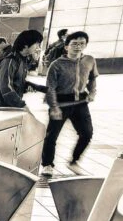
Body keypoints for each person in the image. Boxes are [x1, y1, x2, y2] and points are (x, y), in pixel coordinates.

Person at [41, 31, 98, 176]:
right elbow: (50, 87)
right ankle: (47, 164)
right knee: (52, 136)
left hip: (80, 103)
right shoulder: (56, 65)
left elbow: (92, 78)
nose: (78, 47)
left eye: (81, 44)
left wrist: (92, 92)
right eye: (74, 44)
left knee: (87, 133)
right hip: (61, 103)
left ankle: (74, 162)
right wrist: (53, 107)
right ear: (66, 47)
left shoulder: (90, 60)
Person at [0, 30, 44, 108]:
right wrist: (22, 105)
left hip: (12, 104)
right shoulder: (10, 61)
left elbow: (17, 81)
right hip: (2, 106)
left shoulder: (22, 60)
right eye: (37, 44)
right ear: (26, 45)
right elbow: (6, 88)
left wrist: (38, 88)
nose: (38, 48)